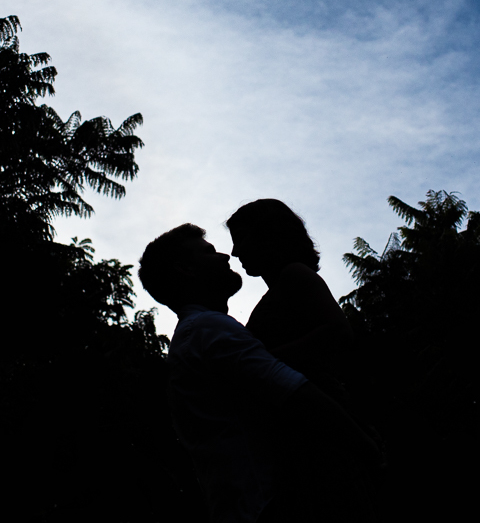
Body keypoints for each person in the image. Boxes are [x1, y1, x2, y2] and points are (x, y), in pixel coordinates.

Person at [138, 224, 380, 523]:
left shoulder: (196, 336)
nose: (227, 255)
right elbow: (296, 394)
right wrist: (367, 448)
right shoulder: (208, 329)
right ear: (186, 269)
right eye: (210, 252)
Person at [225, 199, 353, 398]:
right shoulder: (285, 283)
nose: (235, 251)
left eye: (241, 238)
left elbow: (338, 331)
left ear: (267, 235)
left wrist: (259, 362)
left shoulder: (295, 275)